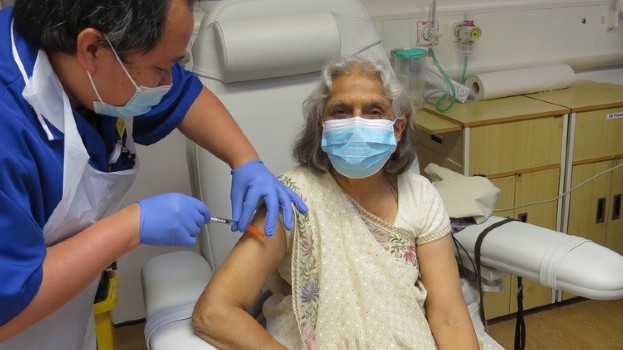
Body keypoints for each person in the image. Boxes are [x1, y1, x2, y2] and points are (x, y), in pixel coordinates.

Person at [0, 0, 307, 349]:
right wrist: (130, 227)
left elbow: (182, 94)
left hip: (60, 323)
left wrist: (245, 159)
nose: (167, 82)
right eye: (160, 69)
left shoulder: (85, 58)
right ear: (93, 49)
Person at [192, 55, 481, 349]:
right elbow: (214, 312)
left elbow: (450, 318)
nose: (357, 123)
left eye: (373, 111)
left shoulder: (420, 196)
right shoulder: (292, 199)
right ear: (322, 127)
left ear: (396, 129)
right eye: (341, 111)